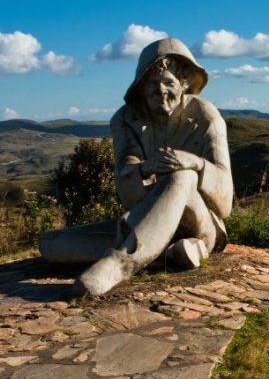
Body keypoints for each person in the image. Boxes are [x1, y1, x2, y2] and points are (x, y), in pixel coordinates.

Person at [39, 37, 233, 296]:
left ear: (184, 83)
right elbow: (127, 192)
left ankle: (120, 264)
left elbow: (225, 203)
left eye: (168, 83)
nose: (161, 91)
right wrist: (144, 168)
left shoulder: (206, 117)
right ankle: (168, 253)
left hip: (198, 222)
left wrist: (195, 164)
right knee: (51, 245)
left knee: (181, 177)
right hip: (144, 218)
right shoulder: (126, 119)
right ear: (141, 88)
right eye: (152, 84)